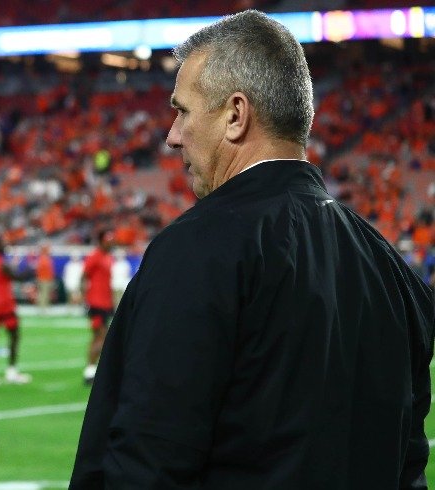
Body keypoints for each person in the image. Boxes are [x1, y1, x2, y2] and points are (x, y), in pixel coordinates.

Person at [71, 10, 434, 489]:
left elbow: (147, 460)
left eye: (182, 110)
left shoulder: (196, 249)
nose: (171, 135)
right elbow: (407, 466)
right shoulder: (391, 267)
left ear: (235, 115)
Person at [0, 235, 35, 385]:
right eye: (2, 244)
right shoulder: (1, 263)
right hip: (4, 304)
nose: (5, 247)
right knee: (14, 336)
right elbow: (17, 277)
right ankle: (11, 371)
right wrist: (30, 268)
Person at [81, 229, 114, 385]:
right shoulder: (95, 256)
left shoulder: (107, 258)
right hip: (96, 302)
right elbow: (84, 275)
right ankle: (90, 371)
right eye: (108, 240)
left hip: (105, 302)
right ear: (101, 241)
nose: (111, 243)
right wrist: (83, 297)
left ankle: (91, 371)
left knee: (98, 337)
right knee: (101, 337)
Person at [34, 244, 55, 311]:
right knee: (44, 294)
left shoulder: (43, 259)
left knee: (43, 294)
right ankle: (43, 308)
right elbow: (46, 270)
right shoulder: (44, 259)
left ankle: (43, 307)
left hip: (43, 279)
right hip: (44, 279)